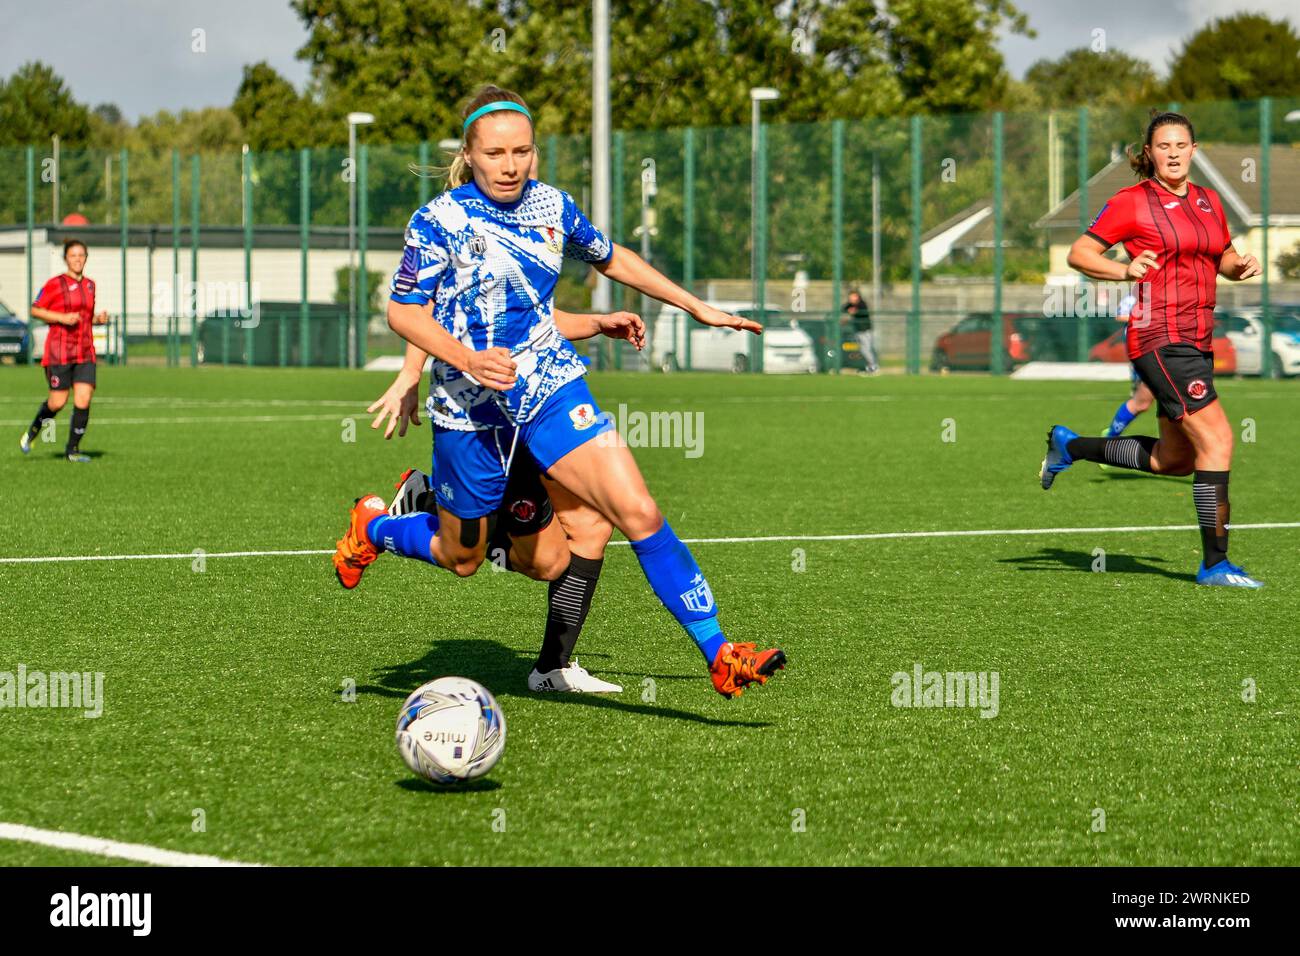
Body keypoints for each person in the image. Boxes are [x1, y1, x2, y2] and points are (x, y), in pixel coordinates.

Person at [333, 84, 787, 697]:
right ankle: (378, 528)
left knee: (632, 512)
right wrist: (448, 365)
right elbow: (406, 312)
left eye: (522, 151)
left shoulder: (552, 206)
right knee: (465, 559)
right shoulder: (438, 220)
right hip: (471, 411)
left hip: (549, 388)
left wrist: (695, 305)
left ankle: (720, 651)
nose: (510, 164)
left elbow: (609, 259)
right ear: (469, 154)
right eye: (495, 153)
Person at [369, 306, 644, 695]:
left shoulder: (538, 246)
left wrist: (597, 323)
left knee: (589, 528)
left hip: (546, 404)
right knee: (488, 559)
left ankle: (552, 668)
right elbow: (421, 306)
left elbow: (537, 315)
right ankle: (403, 516)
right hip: (497, 416)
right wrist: (411, 372)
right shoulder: (465, 245)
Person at [1039, 111, 1263, 588]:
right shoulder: (1132, 202)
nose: (1174, 153)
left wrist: (1237, 266)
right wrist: (1124, 271)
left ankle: (1071, 445)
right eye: (1164, 146)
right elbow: (1079, 253)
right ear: (1150, 154)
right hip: (1158, 337)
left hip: (1197, 340)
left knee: (1175, 460)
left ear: (1195, 150)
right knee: (1219, 439)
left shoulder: (1208, 200)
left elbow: (1220, 255)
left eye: (1182, 144)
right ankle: (1215, 563)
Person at [19, 239, 110, 462]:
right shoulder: (55, 284)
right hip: (60, 352)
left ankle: (73, 450)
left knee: (83, 398)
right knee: (57, 403)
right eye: (73, 255)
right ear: (66, 259)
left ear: (86, 258)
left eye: (81, 255)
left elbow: (85, 318)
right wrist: (61, 317)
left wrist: (97, 320)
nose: (78, 259)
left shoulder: (90, 285)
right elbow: (35, 309)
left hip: (85, 352)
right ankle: (33, 432)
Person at [1096, 293, 1156, 471]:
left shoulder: (1170, 293)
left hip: (1167, 350)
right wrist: (1143, 316)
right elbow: (1120, 316)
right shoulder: (1133, 299)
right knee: (1142, 402)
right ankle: (1110, 440)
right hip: (1143, 349)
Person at [842, 289, 878, 373]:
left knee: (866, 349)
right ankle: (870, 366)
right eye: (851, 297)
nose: (852, 299)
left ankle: (874, 366)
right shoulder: (850, 304)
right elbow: (844, 308)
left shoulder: (862, 304)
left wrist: (852, 311)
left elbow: (856, 311)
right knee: (862, 349)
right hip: (858, 331)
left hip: (865, 330)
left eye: (854, 297)